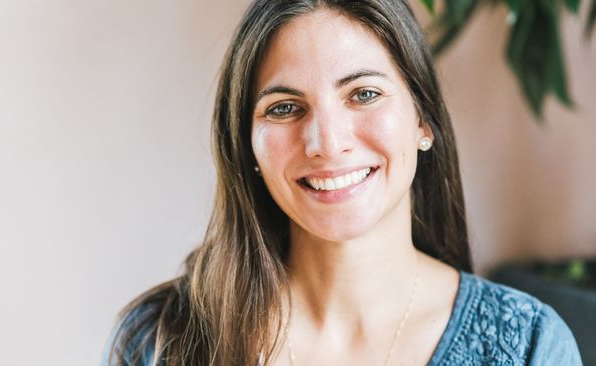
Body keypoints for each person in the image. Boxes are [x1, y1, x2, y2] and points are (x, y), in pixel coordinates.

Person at [102, 1, 582, 365]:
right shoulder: (160, 341)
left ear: (423, 121)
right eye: (284, 107)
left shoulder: (529, 346)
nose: (326, 143)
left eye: (364, 94)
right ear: (246, 144)